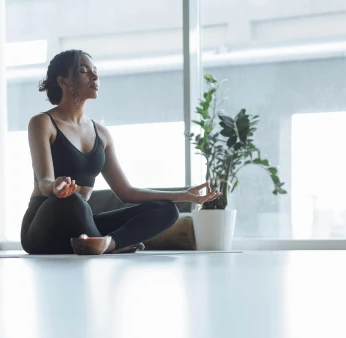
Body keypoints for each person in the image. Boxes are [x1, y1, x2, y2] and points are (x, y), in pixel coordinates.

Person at [21, 49, 221, 255]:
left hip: (82, 226)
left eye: (95, 71)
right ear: (62, 81)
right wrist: (55, 186)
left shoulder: (102, 134)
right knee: (73, 201)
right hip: (43, 229)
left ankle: (108, 244)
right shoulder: (43, 123)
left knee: (167, 209)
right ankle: (103, 243)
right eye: (83, 71)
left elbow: (126, 192)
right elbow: (44, 183)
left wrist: (181, 196)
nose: (94, 76)